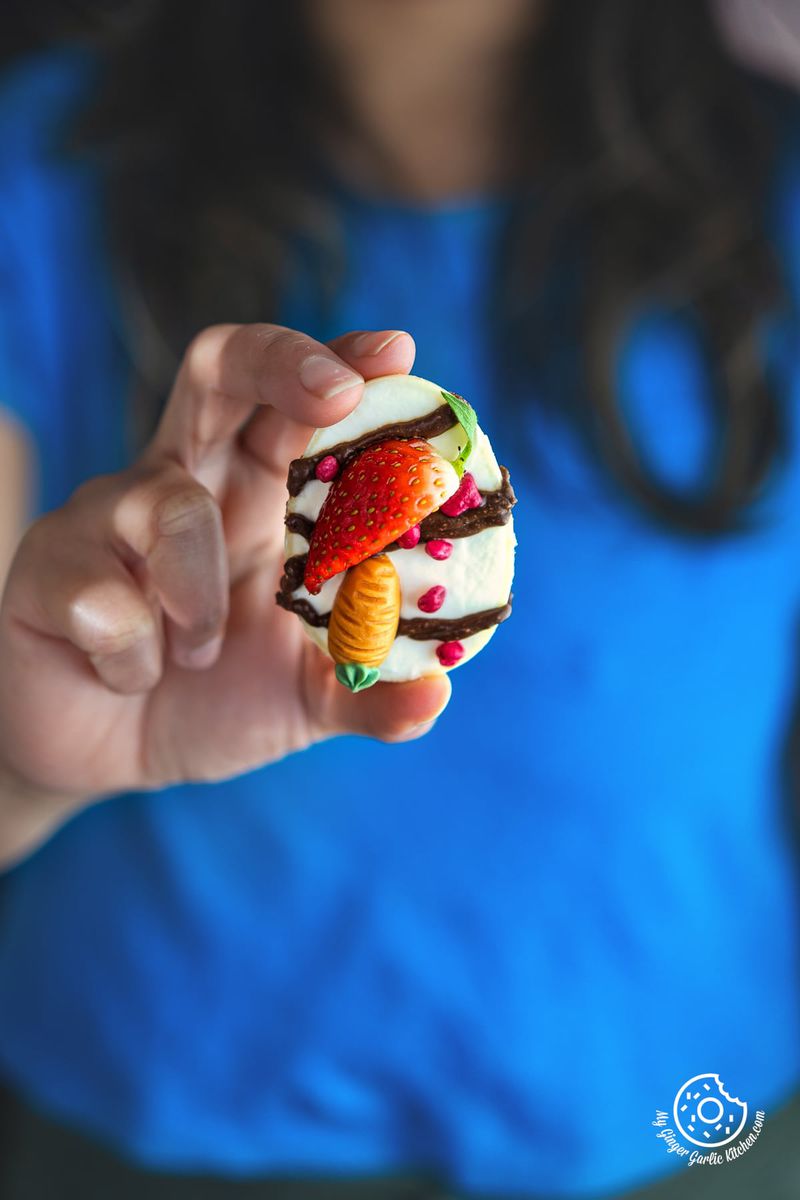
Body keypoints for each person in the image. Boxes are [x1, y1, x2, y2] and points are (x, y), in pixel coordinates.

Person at [0, 1, 799, 1197]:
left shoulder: (773, 183)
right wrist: (20, 775)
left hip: (686, 1117)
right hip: (145, 1113)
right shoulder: (40, 166)